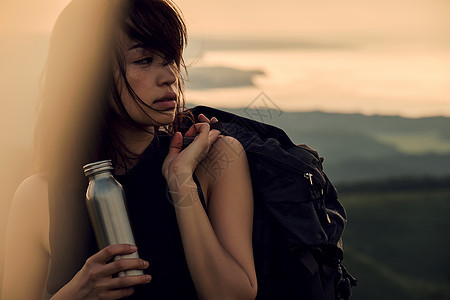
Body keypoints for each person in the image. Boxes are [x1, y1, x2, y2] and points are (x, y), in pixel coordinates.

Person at [1, 0, 257, 299]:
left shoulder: (215, 158)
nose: (170, 75)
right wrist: (75, 293)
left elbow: (234, 295)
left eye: (171, 58)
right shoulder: (38, 195)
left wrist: (181, 183)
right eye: (144, 60)